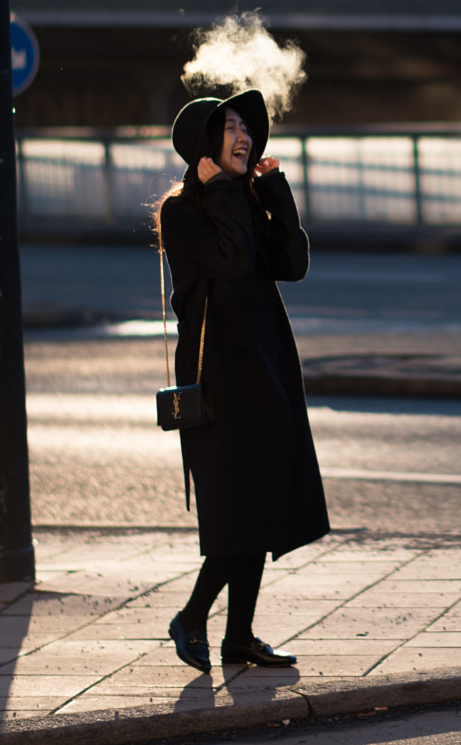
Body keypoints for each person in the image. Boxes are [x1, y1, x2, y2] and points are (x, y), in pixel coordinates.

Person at [156, 89, 325, 673]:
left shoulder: (242, 202)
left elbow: (292, 264)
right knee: (237, 506)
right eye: (228, 127)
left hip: (266, 367)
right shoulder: (182, 213)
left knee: (265, 496)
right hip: (219, 375)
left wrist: (275, 195)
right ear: (205, 143)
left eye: (245, 127)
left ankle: (239, 637)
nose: (243, 135)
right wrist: (231, 194)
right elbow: (228, 261)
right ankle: (191, 617)